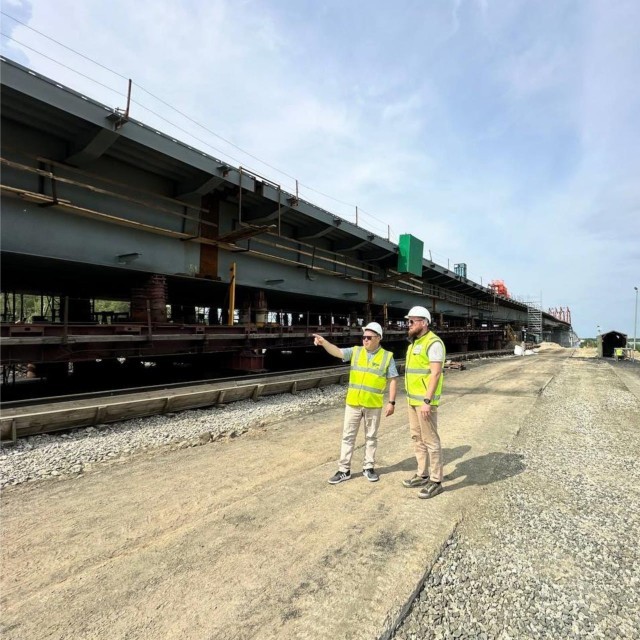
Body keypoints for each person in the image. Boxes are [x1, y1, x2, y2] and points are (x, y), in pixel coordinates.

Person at [313, 322, 399, 484]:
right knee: (348, 436)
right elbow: (337, 352)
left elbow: (393, 380)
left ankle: (368, 467)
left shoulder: (387, 356)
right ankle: (344, 470)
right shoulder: (356, 351)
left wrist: (392, 402)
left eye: (368, 337)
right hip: (353, 403)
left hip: (373, 404)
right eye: (363, 337)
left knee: (371, 437)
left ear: (378, 338)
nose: (365, 340)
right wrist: (324, 343)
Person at [402, 306, 446, 499]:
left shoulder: (433, 343)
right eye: (408, 321)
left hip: (424, 402)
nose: (408, 324)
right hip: (413, 400)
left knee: (430, 440)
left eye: (411, 321)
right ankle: (422, 474)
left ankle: (436, 481)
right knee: (417, 438)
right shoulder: (413, 344)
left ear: (424, 322)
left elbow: (435, 373)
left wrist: (427, 400)